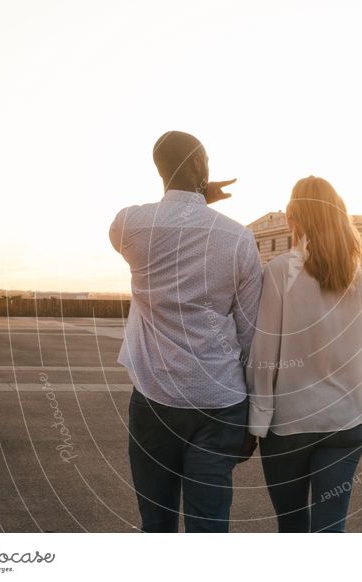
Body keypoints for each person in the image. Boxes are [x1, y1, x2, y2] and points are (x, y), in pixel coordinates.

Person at [109, 131, 262, 533]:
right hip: (220, 403)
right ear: (199, 166)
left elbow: (170, 222)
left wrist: (194, 196)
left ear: (159, 169)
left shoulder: (128, 225)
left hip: (155, 398)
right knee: (207, 528)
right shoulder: (239, 238)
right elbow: (250, 334)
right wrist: (253, 417)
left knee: (156, 523)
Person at [246, 176, 362, 532]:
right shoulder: (354, 274)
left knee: (291, 527)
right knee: (329, 530)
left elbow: (264, 355)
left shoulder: (277, 272)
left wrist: (256, 423)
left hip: (289, 425)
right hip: (344, 422)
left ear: (292, 217)